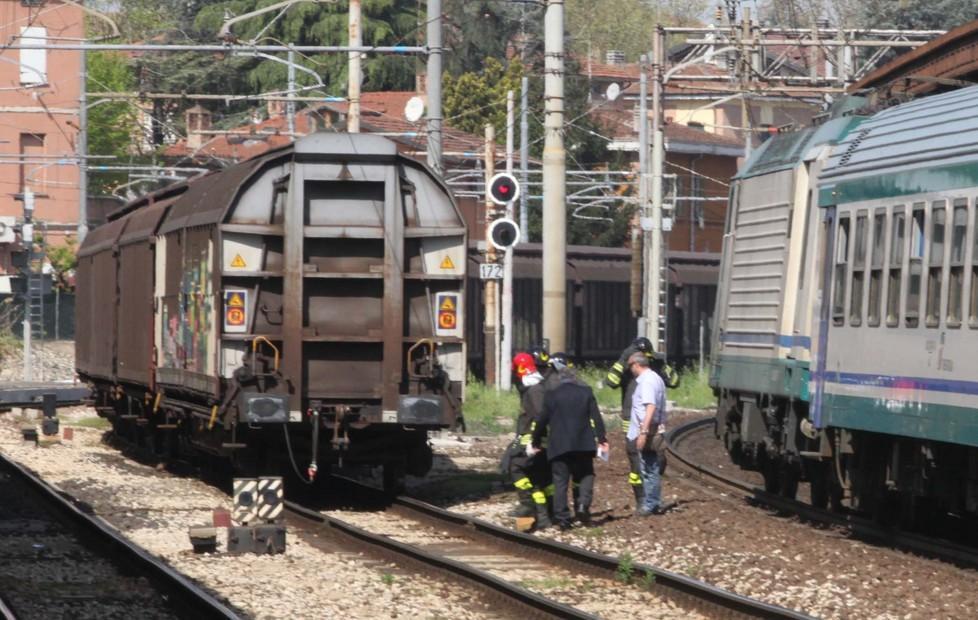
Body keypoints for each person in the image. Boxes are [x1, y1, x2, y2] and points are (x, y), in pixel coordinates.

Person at [531, 355, 608, 530]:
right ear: (574, 378)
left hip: (559, 445)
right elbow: (596, 417)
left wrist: (535, 440)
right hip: (584, 443)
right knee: (587, 474)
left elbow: (542, 419)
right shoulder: (586, 392)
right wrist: (602, 438)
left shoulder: (552, 395)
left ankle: (563, 519)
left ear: (560, 379)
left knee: (560, 482)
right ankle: (583, 505)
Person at [605, 337, 679, 512]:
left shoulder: (653, 370)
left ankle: (651, 498)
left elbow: (675, 382)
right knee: (637, 465)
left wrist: (662, 364)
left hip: (650, 425)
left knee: (657, 461)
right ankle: (642, 500)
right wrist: (623, 361)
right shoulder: (626, 368)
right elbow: (611, 381)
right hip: (631, 423)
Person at [506, 353, 553, 529]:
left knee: (516, 467)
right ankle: (544, 517)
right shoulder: (537, 388)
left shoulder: (534, 391)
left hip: (536, 442)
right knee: (539, 479)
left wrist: (533, 442)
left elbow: (540, 416)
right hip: (538, 440)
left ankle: (527, 504)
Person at [626, 352, 672, 516]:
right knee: (650, 466)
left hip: (649, 431)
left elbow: (650, 406)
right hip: (652, 429)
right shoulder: (654, 378)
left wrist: (643, 432)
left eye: (630, 366)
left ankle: (651, 504)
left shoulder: (647, 382)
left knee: (649, 467)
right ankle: (654, 501)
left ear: (636, 365)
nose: (630, 369)